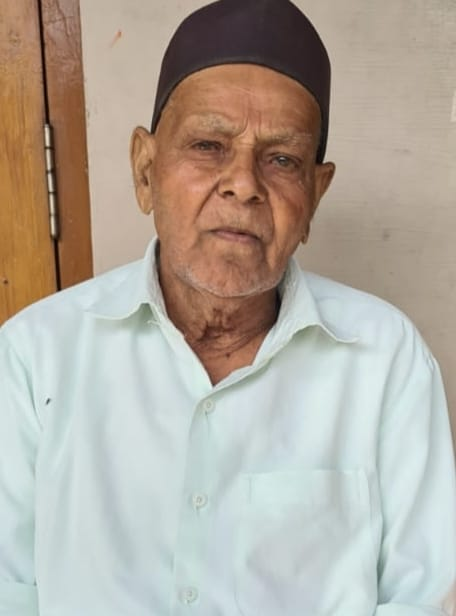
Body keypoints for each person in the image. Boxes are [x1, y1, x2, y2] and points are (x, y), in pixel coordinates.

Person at [1, 0, 455, 614]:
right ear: (145, 169)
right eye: (209, 145)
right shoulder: (35, 357)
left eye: (281, 159)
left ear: (315, 194)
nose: (243, 183)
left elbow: (421, 598)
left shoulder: (385, 360)